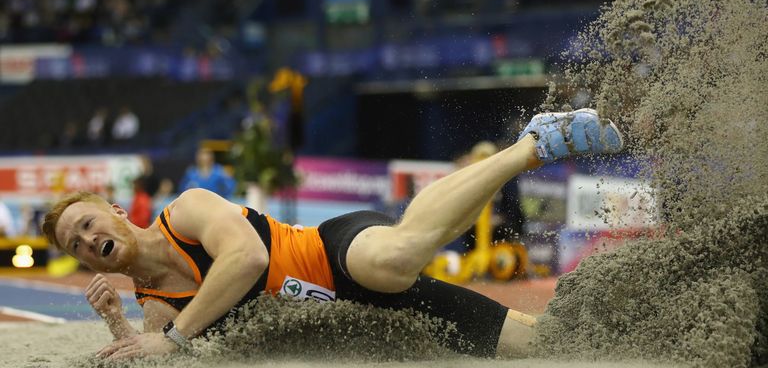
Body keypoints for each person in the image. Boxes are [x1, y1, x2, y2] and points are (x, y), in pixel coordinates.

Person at [41, 109, 623, 361]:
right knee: (553, 346)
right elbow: (161, 353)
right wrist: (122, 327)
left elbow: (244, 258)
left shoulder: (186, 211)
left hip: (337, 253)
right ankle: (612, 305)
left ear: (116, 210)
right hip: (381, 321)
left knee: (392, 258)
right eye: (76, 245)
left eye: (87, 224)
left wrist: (171, 339)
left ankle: (531, 146)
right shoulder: (157, 312)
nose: (87, 241)